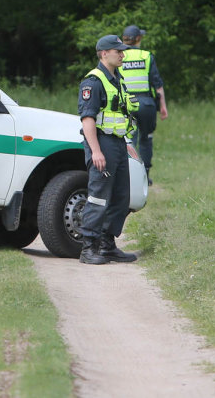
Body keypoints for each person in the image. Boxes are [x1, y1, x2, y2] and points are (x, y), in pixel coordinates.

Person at [77, 35, 140, 264]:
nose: (122, 54)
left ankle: (107, 245)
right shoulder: (93, 82)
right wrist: (96, 151)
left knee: (120, 197)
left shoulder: (117, 79)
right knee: (98, 197)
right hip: (102, 144)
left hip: (118, 143)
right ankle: (88, 248)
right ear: (104, 53)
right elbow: (87, 119)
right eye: (118, 51)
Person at [120, 25, 168, 184]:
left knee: (129, 139)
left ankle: (130, 176)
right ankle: (145, 176)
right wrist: (163, 107)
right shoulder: (146, 56)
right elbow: (157, 85)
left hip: (128, 106)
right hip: (146, 105)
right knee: (146, 139)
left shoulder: (119, 56)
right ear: (138, 39)